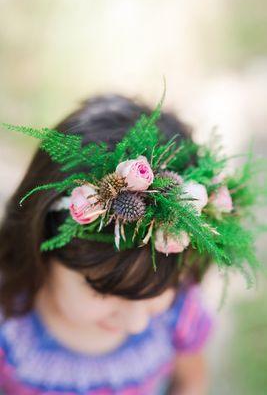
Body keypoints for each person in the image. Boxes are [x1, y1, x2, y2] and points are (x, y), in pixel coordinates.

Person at [0, 95, 213, 394]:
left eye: (156, 288)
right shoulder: (9, 330)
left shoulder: (179, 310)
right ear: (40, 245)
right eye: (102, 290)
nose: (137, 323)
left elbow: (190, 379)